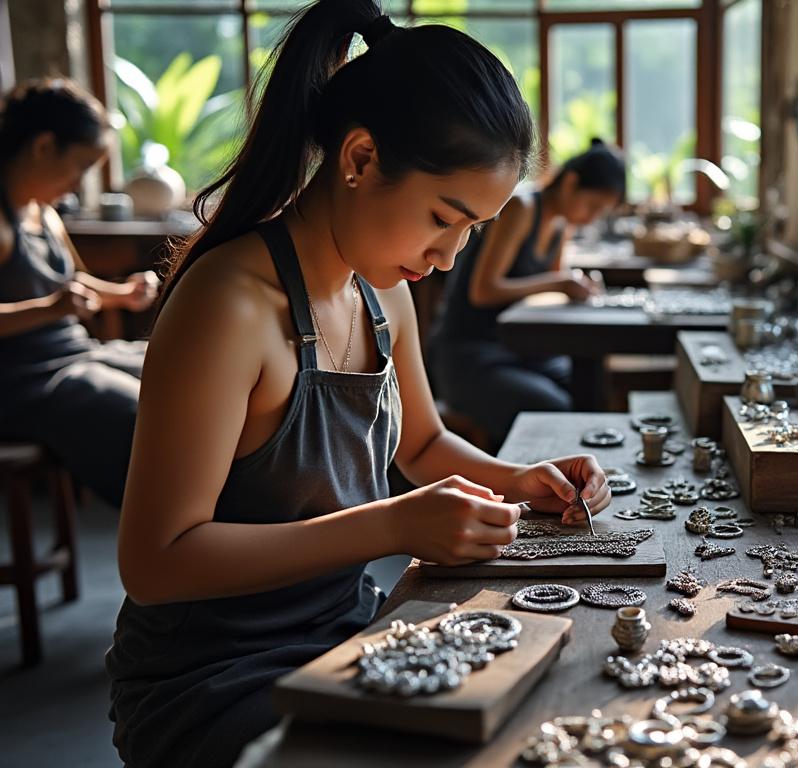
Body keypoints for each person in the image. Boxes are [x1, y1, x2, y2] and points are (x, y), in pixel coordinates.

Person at [105, 4, 610, 766]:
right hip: (214, 678)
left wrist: (518, 481)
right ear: (361, 158)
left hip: (345, 633)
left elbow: (424, 444)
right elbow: (155, 561)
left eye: (472, 231)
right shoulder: (230, 305)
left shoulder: (382, 293)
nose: (448, 256)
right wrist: (393, 526)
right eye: (443, 217)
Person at [0, 78, 157, 506]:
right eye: (80, 167)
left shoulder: (43, 213)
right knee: (141, 414)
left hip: (75, 353)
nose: (77, 184)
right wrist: (49, 309)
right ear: (43, 147)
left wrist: (120, 294)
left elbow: (69, 290)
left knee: (175, 369)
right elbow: (55, 302)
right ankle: (166, 525)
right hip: (23, 379)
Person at [430, 138, 625, 449]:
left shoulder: (562, 226)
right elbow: (483, 291)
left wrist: (575, 288)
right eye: (592, 206)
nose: (592, 218)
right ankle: (531, 475)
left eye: (600, 212)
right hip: (470, 355)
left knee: (590, 387)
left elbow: (550, 290)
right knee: (554, 409)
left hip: (517, 350)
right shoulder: (521, 208)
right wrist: (559, 283)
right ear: (570, 183)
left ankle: (585, 473)